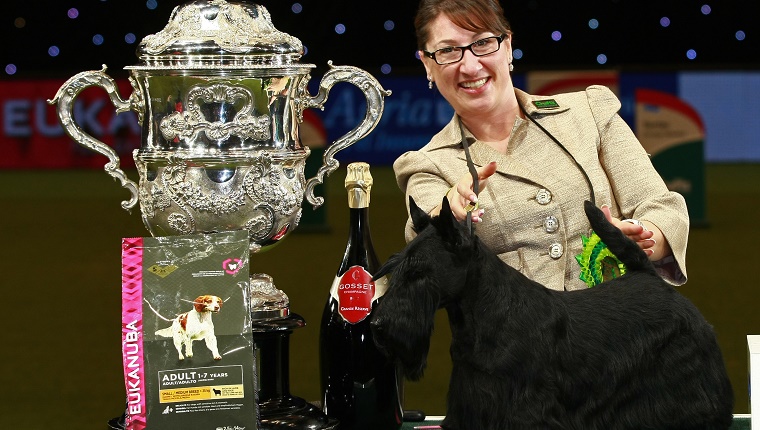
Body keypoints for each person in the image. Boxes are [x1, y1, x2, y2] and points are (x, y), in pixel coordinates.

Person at [393, 0, 689, 291]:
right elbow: (424, 243)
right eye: (448, 51)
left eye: (482, 43)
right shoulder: (426, 164)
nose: (470, 66)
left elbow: (662, 208)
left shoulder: (590, 112)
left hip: (622, 331)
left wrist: (642, 239)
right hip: (508, 341)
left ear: (507, 46)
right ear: (427, 64)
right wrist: (448, 213)